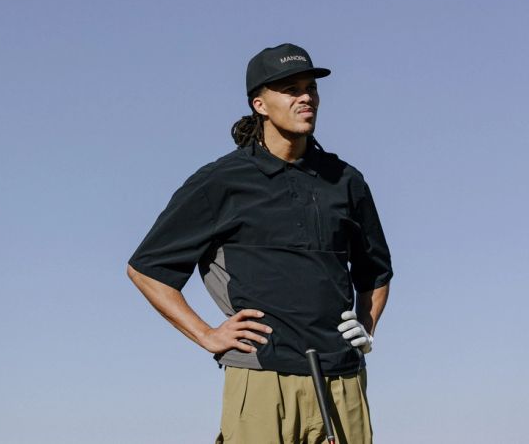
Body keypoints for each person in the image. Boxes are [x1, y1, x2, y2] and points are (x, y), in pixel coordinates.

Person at [127, 43, 393, 443]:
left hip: (343, 378)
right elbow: (147, 269)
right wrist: (206, 334)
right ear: (260, 104)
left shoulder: (345, 180)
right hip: (262, 379)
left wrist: (367, 328)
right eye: (291, 89)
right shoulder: (222, 181)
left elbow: (376, 271)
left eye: (311, 88)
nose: (306, 97)